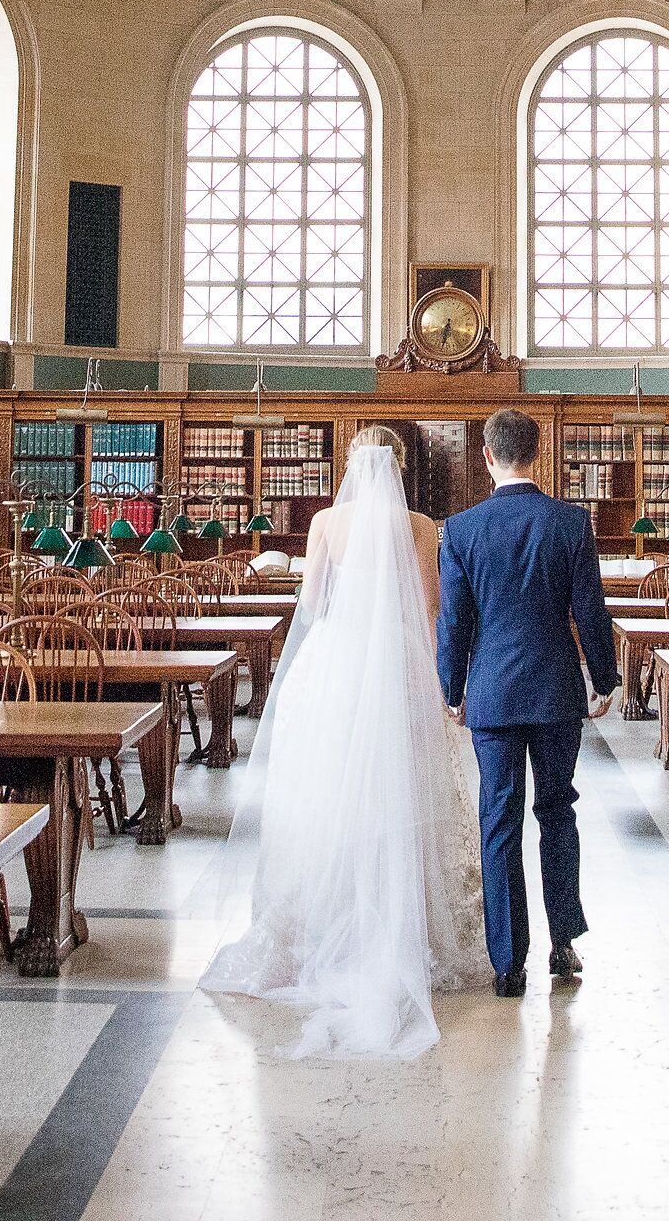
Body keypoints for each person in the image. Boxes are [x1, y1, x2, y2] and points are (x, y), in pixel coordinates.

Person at [201, 426, 486, 1058]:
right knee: (405, 785)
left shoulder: (326, 523)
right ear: (400, 467)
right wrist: (447, 675)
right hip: (400, 665)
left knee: (326, 791)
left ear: (351, 464)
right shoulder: (419, 526)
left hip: (335, 663)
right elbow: (435, 609)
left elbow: (314, 605)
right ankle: (411, 926)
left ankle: (324, 923)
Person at [436, 405, 619, 997]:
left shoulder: (461, 530)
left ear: (487, 456)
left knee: (499, 820)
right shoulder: (571, 522)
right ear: (536, 454)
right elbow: (590, 609)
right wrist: (605, 678)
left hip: (492, 692)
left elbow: (454, 624)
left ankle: (507, 962)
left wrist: (452, 688)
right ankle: (562, 942)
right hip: (555, 690)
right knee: (558, 811)